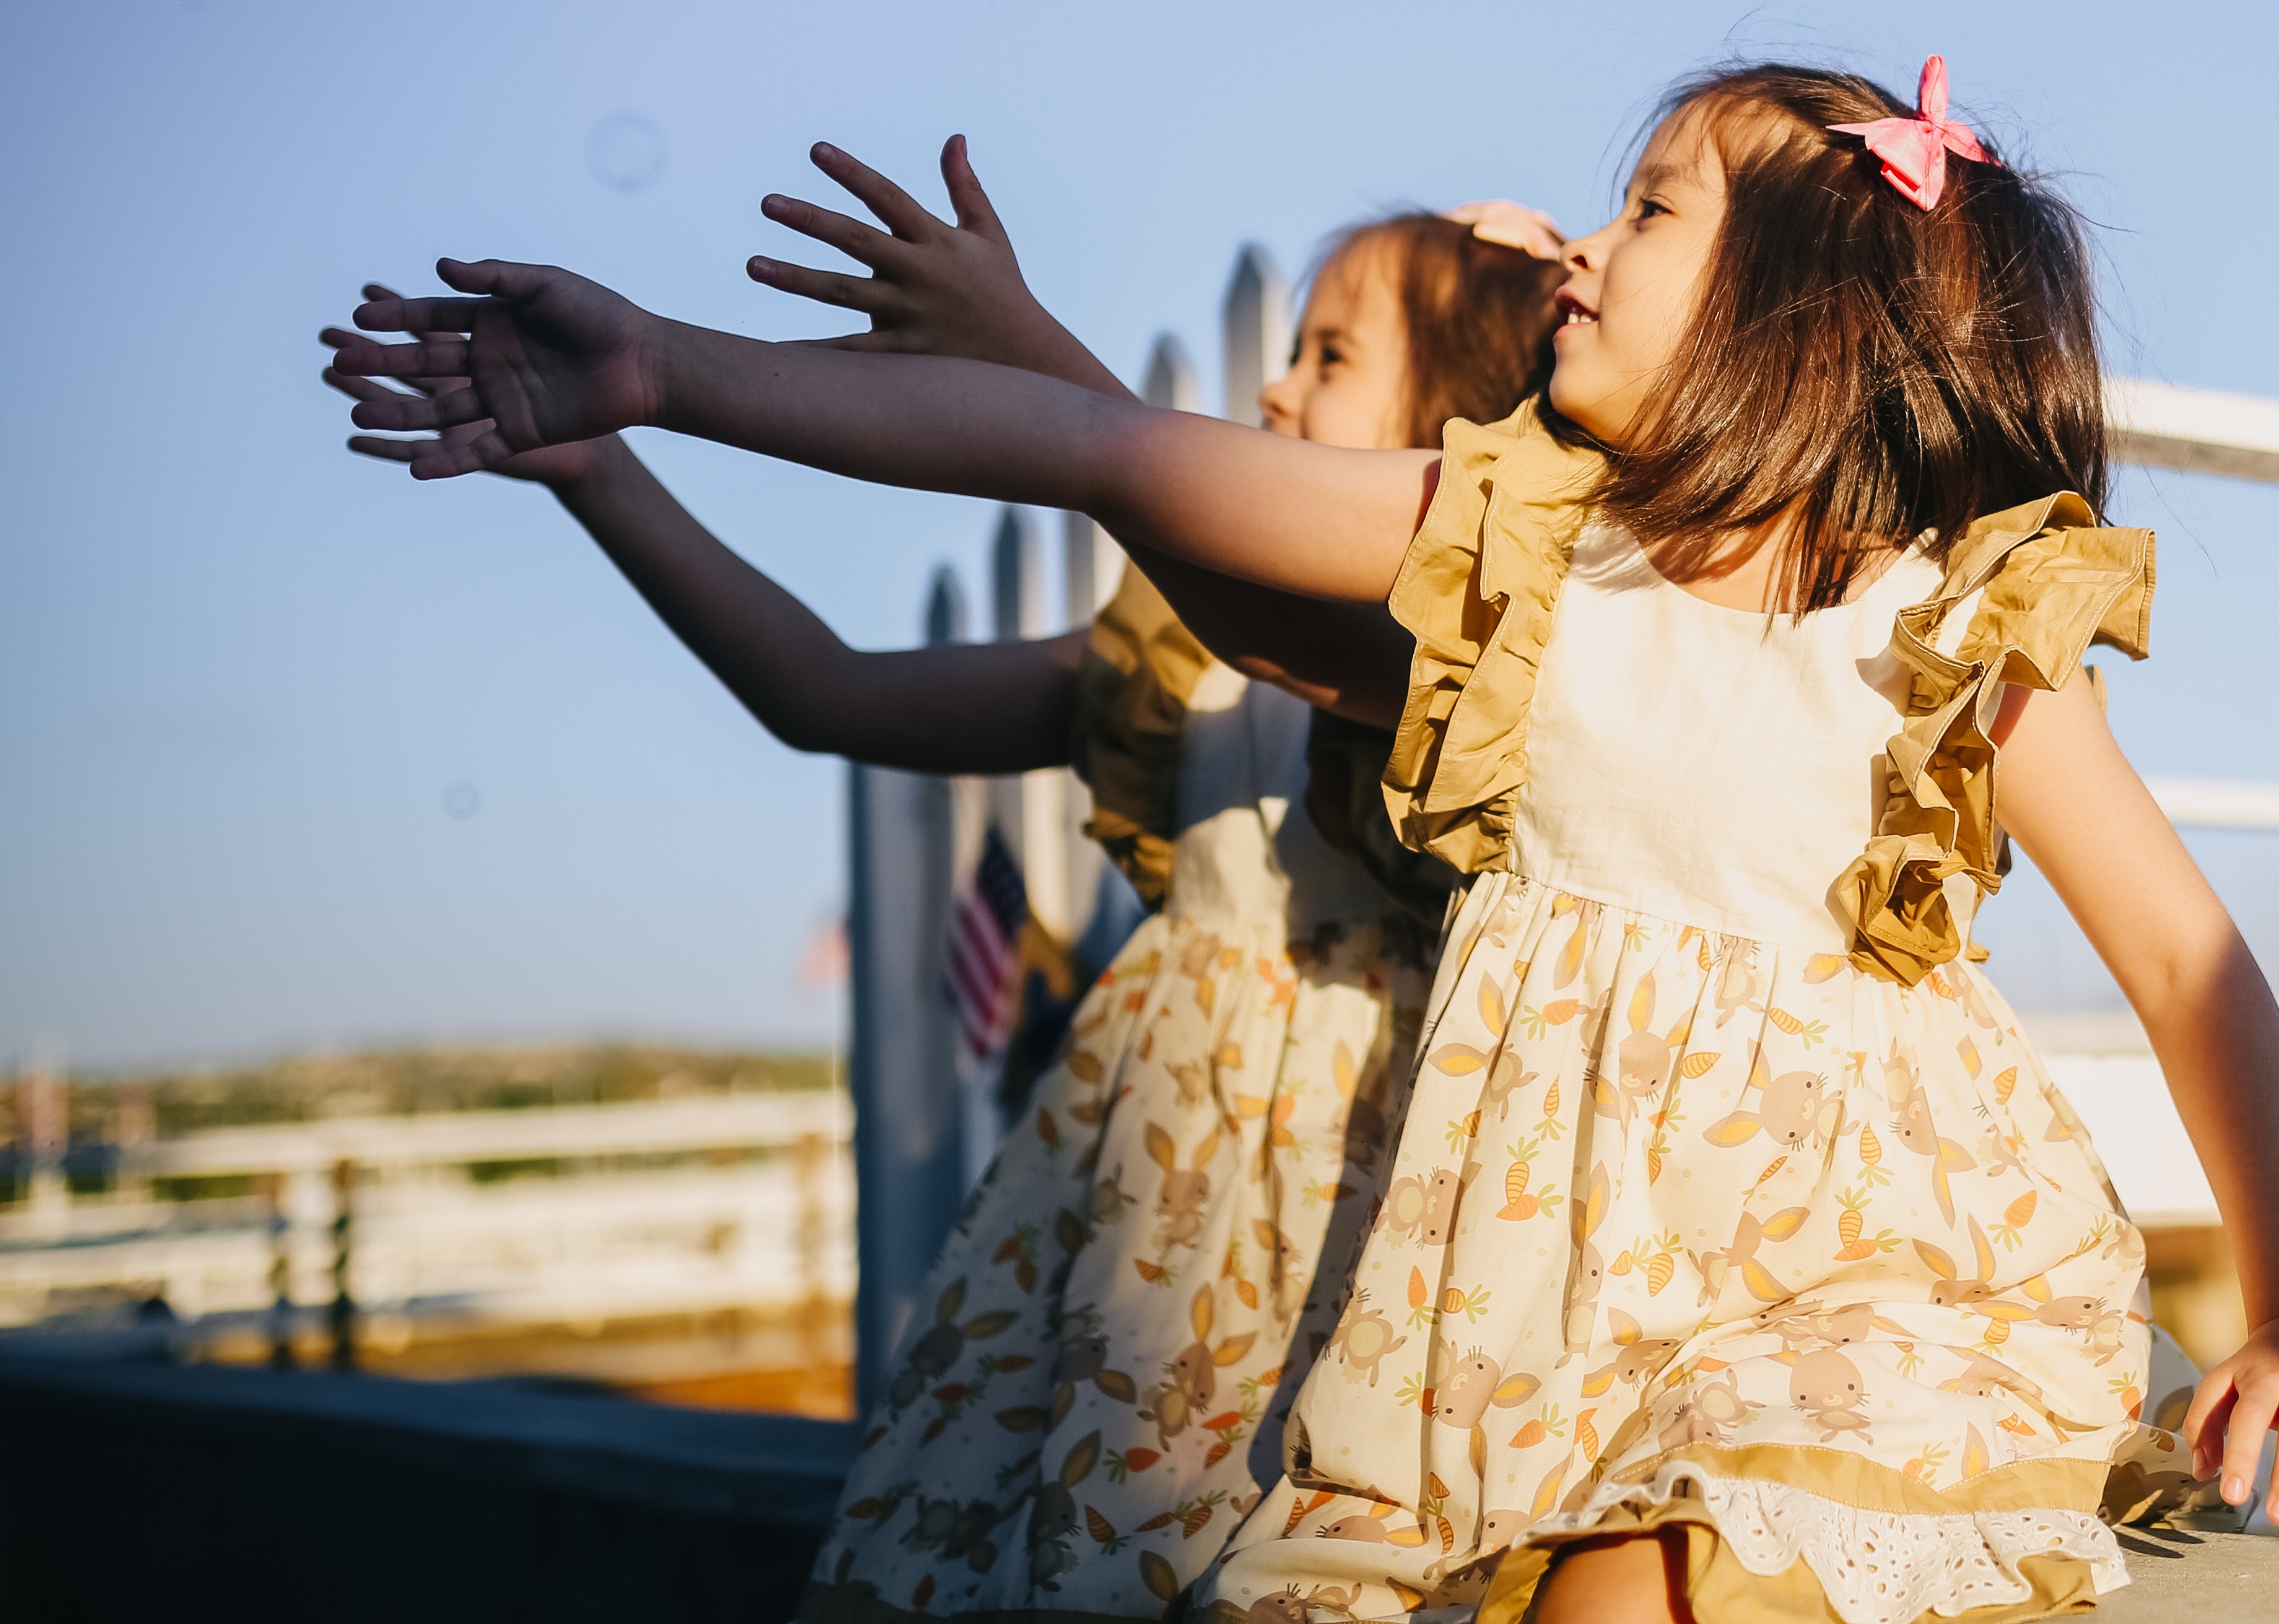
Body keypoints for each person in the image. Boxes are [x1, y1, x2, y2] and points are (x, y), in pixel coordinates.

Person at [328, 59, 2279, 1624]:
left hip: (1864, 1275)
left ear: (1802, 309)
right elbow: (1104, 453)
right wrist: (669, 383)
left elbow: (2184, 960)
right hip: (1557, 1297)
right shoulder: (1509, 556)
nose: (1581, 247)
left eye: (1652, 209)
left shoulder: (1964, 636)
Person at [324, 139, 1562, 1618]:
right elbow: (827, 692)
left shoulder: (1449, 672)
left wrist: (1025, 354)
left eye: (1333, 354)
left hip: (1356, 1232)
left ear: (1456, 416)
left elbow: (1216, 564)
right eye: (1286, 350)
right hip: (1149, 1228)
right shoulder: (1163, 666)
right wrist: (600, 475)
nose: (1279, 390)